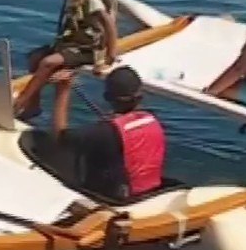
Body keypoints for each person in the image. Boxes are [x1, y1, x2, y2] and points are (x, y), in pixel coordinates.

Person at [13, 0, 119, 120]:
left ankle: (20, 102)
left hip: (88, 49)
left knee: (48, 62)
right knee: (34, 58)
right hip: (74, 44)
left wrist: (111, 55)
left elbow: (109, 24)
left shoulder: (92, 1)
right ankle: (33, 106)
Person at [44, 65, 166, 202]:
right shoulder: (154, 121)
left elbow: (59, 137)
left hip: (112, 200)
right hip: (149, 194)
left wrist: (63, 90)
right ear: (141, 96)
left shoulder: (104, 132)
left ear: (107, 97)